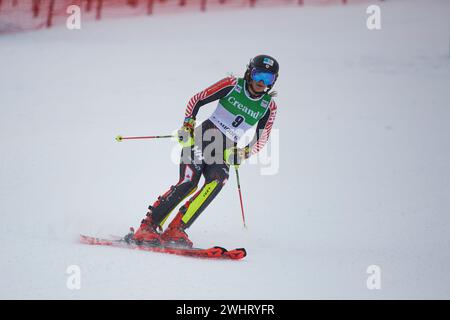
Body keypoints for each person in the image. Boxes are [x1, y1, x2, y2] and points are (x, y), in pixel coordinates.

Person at [131, 54, 279, 247]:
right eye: (259, 75)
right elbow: (197, 100)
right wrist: (187, 125)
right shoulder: (232, 84)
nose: (261, 82)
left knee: (218, 180)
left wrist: (244, 153)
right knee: (189, 182)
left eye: (267, 79)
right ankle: (148, 226)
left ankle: (176, 229)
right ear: (250, 72)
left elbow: (263, 137)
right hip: (202, 138)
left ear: (273, 81)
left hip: (223, 150)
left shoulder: (268, 106)